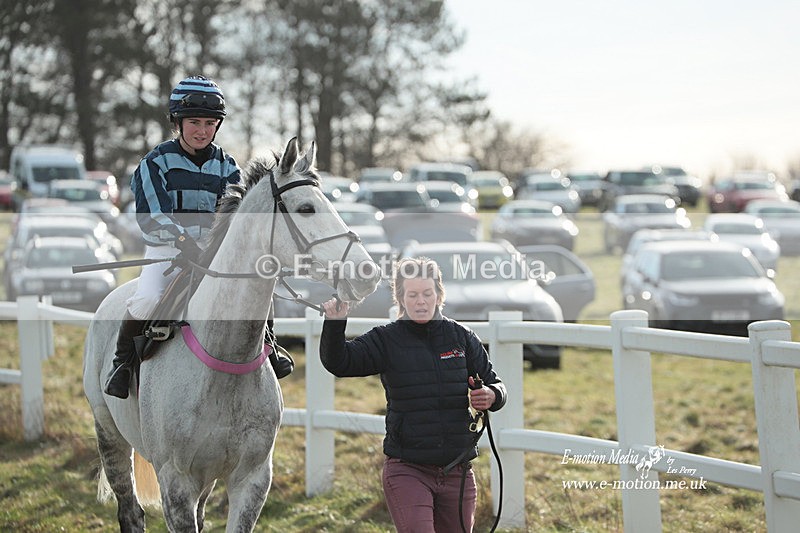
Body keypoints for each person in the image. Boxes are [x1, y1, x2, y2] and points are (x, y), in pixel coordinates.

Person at [104, 75, 293, 399]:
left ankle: (270, 346)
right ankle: (122, 363)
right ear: (178, 122)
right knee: (148, 298)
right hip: (169, 251)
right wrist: (183, 242)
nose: (202, 130)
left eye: (209, 123)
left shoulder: (228, 166)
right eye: (194, 122)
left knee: (258, 287)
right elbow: (152, 217)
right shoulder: (154, 163)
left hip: (215, 254)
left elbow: (238, 216)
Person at [320, 256, 507, 532]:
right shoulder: (385, 339)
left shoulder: (462, 337)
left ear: (439, 295)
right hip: (408, 469)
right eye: (413, 294)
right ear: (400, 298)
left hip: (458, 470)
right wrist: (335, 324)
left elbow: (497, 385)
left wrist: (491, 395)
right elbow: (340, 362)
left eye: (427, 294)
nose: (421, 301)